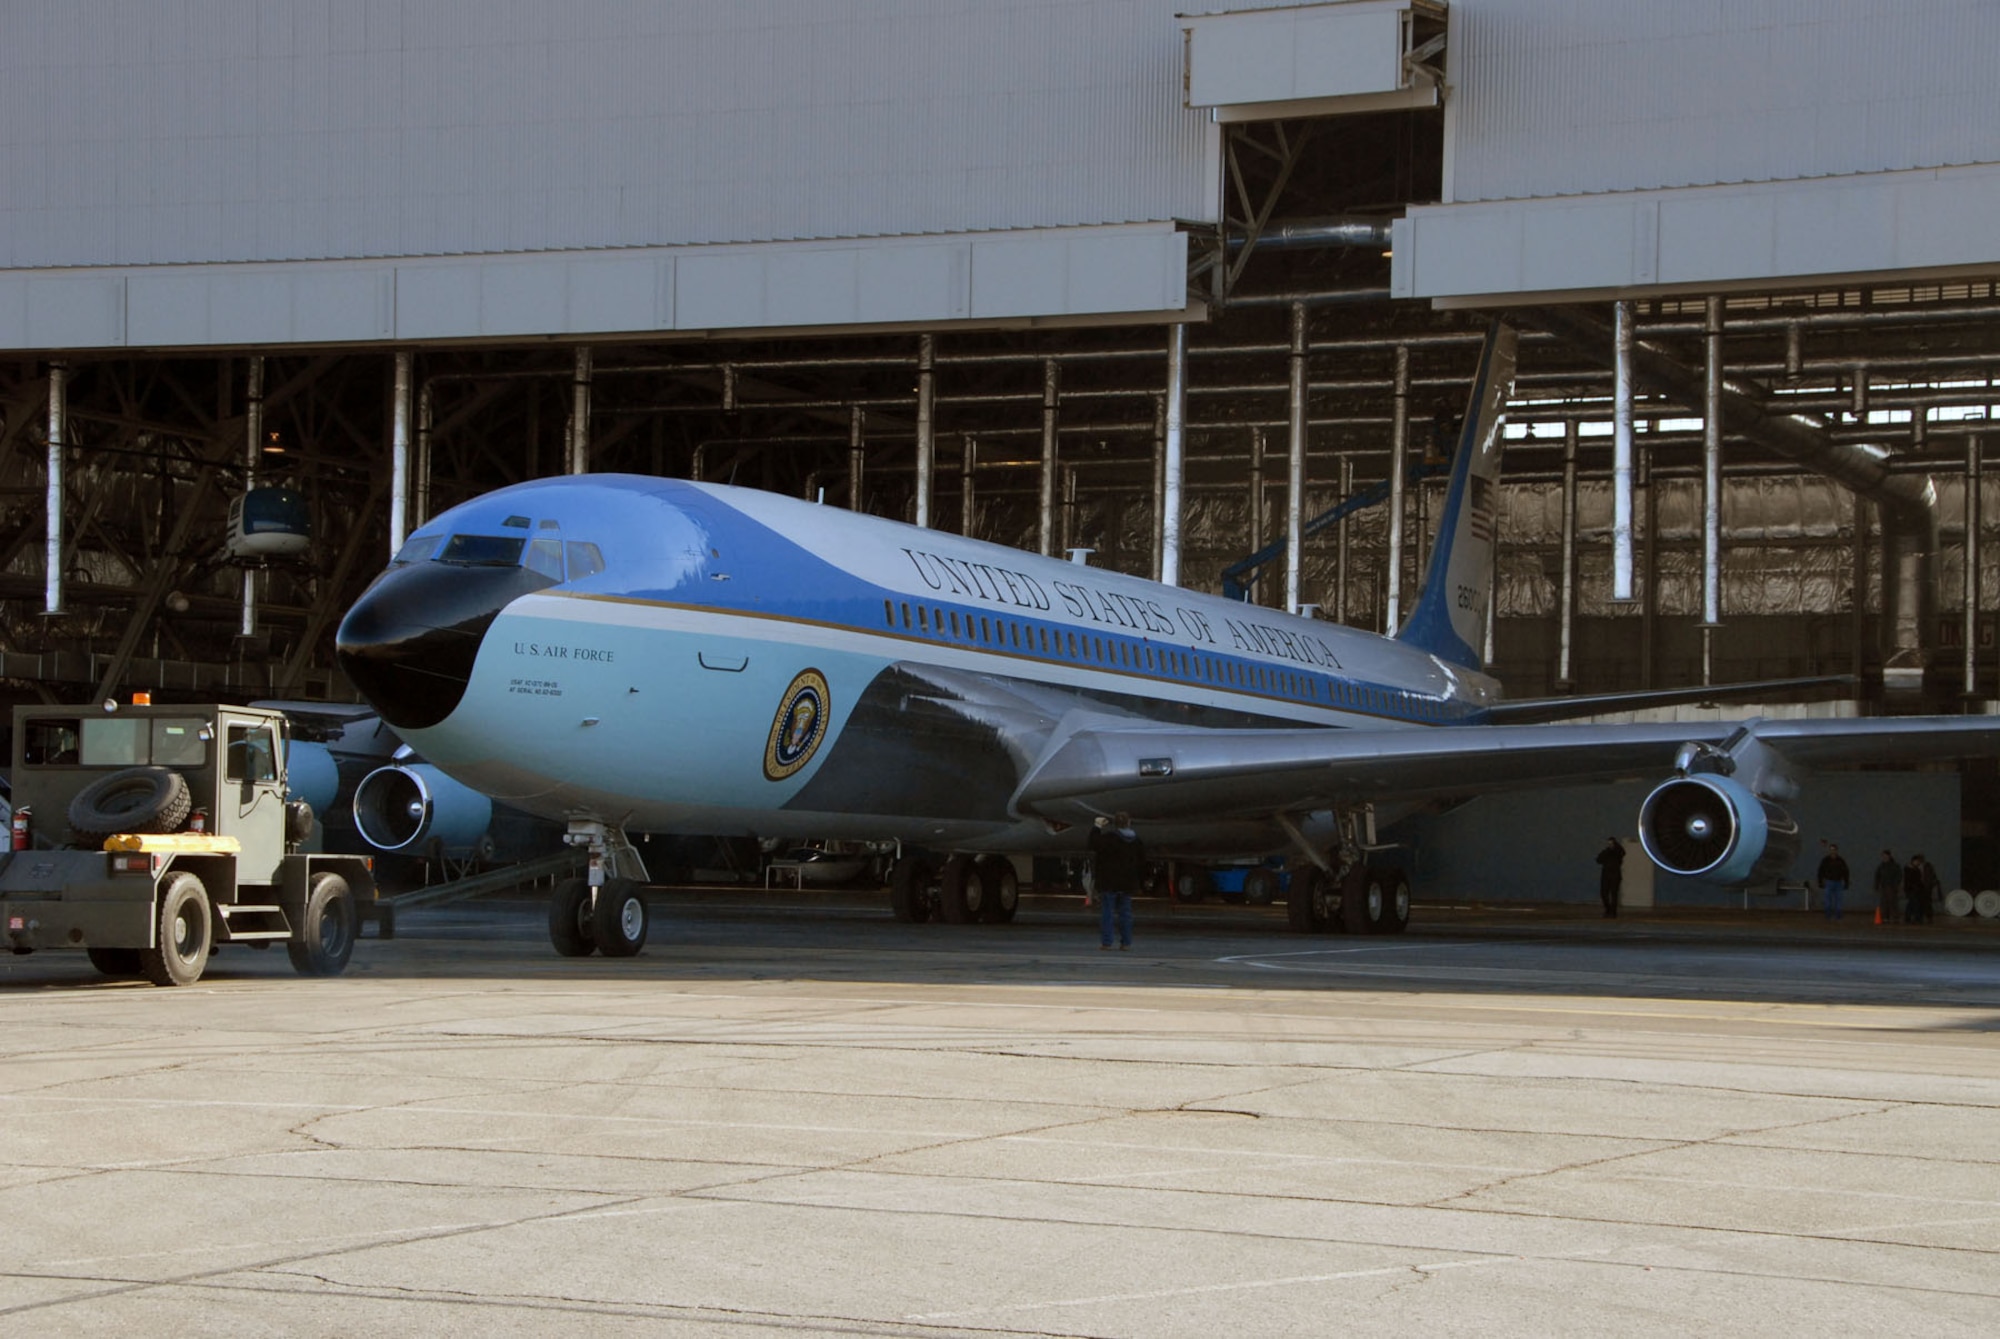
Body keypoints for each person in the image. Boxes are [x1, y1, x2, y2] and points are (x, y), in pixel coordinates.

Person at [1087, 811, 1144, 950]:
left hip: (1108, 882)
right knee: (1125, 913)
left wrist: (1097, 826)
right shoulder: (1136, 841)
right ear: (1129, 823)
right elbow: (1142, 862)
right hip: (1127, 882)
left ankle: (1107, 942)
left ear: (1114, 824)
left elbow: (1092, 843)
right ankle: (1126, 942)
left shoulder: (1109, 839)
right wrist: (1139, 882)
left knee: (1108, 913)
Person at [1816, 842, 1850, 921]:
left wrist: (1846, 882)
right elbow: (1820, 871)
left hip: (1838, 882)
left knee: (1838, 901)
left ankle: (1838, 916)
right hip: (1829, 882)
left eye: (1834, 850)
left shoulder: (1841, 861)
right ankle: (1828, 916)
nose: (1833, 851)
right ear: (1829, 850)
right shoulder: (1825, 860)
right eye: (1831, 850)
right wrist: (1820, 881)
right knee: (1828, 901)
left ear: (1837, 850)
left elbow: (1846, 872)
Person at [1595, 837, 1626, 918]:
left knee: (1613, 894)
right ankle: (1608, 909)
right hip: (1606, 875)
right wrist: (1607, 851)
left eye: (1611, 843)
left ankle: (1613, 912)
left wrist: (1615, 847)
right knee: (1604, 893)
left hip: (1615, 875)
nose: (1610, 845)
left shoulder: (1618, 852)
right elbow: (1598, 860)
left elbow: (1622, 853)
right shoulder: (1606, 852)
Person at [1871, 849, 1901, 925]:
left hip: (1891, 886)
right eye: (1883, 856)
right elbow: (1877, 876)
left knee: (1892, 902)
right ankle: (1885, 917)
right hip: (1883, 886)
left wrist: (1895, 884)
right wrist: (1877, 885)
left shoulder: (1894, 866)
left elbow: (1898, 876)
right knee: (1884, 903)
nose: (1884, 857)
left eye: (1885, 856)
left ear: (1889, 856)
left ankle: (1895, 917)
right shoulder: (1881, 866)